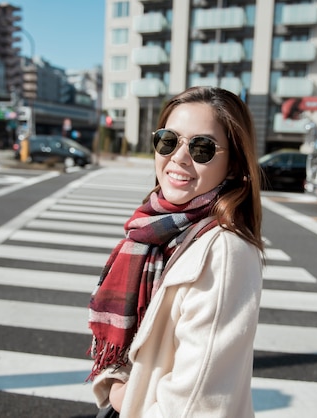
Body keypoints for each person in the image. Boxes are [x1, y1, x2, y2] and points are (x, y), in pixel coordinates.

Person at [87, 86, 264, 417]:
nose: (179, 157)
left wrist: (128, 401)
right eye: (168, 140)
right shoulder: (155, 229)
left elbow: (197, 403)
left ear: (234, 163)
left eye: (202, 148)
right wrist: (116, 387)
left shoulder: (224, 251)